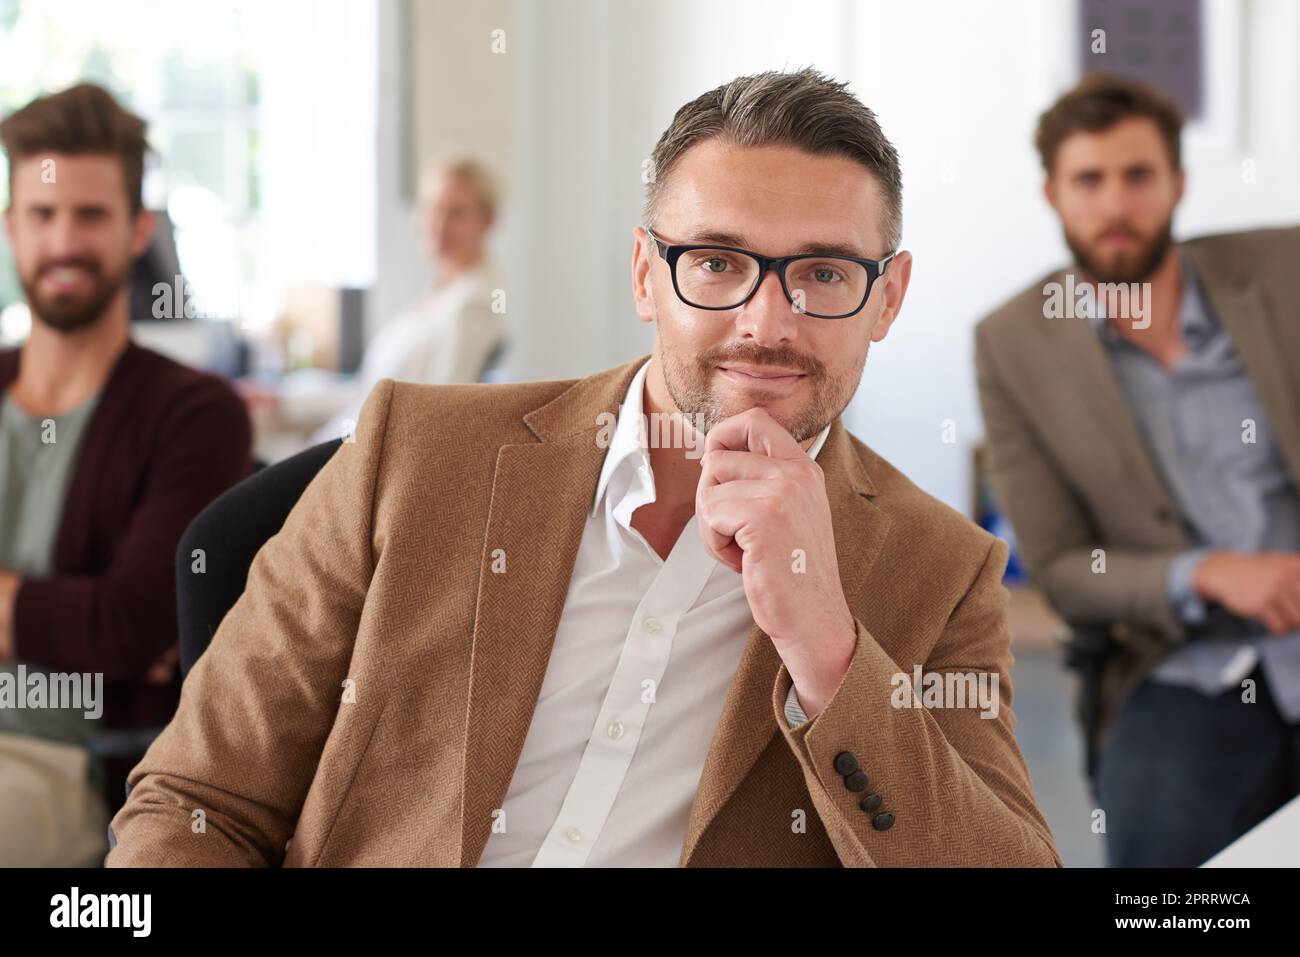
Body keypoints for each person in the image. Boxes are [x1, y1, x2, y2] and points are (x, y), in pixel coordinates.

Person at [108, 67, 1060, 868]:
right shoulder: (413, 451)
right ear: (646, 273)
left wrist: (829, 654)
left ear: (887, 298)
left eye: (823, 273)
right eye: (719, 263)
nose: (767, 324)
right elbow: (198, 800)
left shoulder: (940, 569)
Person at [975, 73, 1300, 867]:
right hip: (1182, 661)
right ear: (1053, 193)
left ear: (1179, 183)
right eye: (1089, 179)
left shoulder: (1284, 271)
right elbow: (1057, 567)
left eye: (1138, 175)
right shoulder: (1013, 344)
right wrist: (1209, 572)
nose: (1115, 205)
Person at [0, 82, 252, 865]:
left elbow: (130, 622)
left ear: (139, 229)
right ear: (11, 226)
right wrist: (63, 618)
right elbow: (106, 624)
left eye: (91, 215)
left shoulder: (195, 413)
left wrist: (107, 625)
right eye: (42, 215)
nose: (64, 241)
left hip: (71, 763)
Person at [307, 158, 505, 443]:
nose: (439, 225)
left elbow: (440, 416)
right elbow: (364, 392)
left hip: (361, 454)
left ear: (487, 221)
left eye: (457, 213)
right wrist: (284, 402)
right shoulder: (439, 295)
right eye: (434, 209)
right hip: (345, 439)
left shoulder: (471, 306)